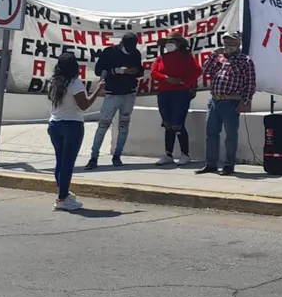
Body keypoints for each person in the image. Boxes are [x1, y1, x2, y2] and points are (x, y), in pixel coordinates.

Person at [48, 52, 105, 211]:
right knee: (67, 163)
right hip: (72, 125)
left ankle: (63, 193)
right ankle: (62, 199)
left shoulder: (53, 82)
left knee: (60, 161)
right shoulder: (75, 83)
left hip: (54, 124)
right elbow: (84, 105)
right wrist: (98, 90)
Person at [197, 31, 256, 176]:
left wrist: (245, 102)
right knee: (211, 133)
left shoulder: (245, 60)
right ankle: (211, 164)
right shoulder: (219, 58)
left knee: (230, 135)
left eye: (232, 41)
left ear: (238, 43)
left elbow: (250, 83)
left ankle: (229, 165)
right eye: (226, 41)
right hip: (215, 101)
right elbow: (205, 71)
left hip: (231, 102)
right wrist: (213, 56)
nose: (229, 44)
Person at [87, 31, 144, 170]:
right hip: (112, 94)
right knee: (103, 125)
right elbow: (98, 70)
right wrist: (116, 71)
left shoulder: (135, 53)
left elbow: (141, 71)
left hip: (129, 94)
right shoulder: (109, 52)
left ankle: (117, 155)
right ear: (122, 43)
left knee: (124, 126)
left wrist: (134, 71)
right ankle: (94, 157)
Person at [152, 33, 202, 166]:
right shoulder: (161, 58)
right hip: (163, 93)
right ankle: (168, 154)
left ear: (178, 44)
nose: (169, 44)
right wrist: (166, 78)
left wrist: (183, 82)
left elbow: (197, 71)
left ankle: (185, 154)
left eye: (172, 41)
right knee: (167, 124)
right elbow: (154, 73)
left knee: (178, 124)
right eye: (167, 42)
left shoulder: (186, 57)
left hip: (180, 94)